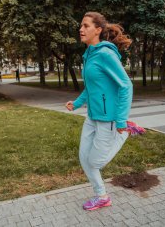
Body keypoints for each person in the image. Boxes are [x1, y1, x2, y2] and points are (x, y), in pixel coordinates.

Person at [65, 12, 133, 211]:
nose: (81, 29)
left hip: (108, 118)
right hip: (92, 116)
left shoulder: (105, 54)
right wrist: (77, 103)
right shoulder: (89, 55)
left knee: (95, 162)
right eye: (81, 25)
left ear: (98, 30)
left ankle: (125, 133)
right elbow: (92, 87)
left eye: (86, 26)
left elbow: (126, 86)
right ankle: (102, 196)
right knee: (84, 158)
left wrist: (121, 120)